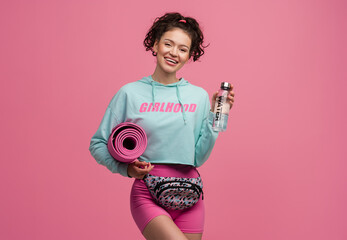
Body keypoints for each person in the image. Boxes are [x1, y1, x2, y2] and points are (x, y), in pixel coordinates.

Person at [89, 12, 235, 240]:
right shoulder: (129, 93)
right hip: (148, 192)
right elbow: (98, 143)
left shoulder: (198, 97)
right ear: (155, 44)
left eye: (183, 49)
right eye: (168, 44)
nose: (173, 53)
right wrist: (126, 169)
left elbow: (198, 158)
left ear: (189, 55)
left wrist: (217, 116)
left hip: (190, 194)